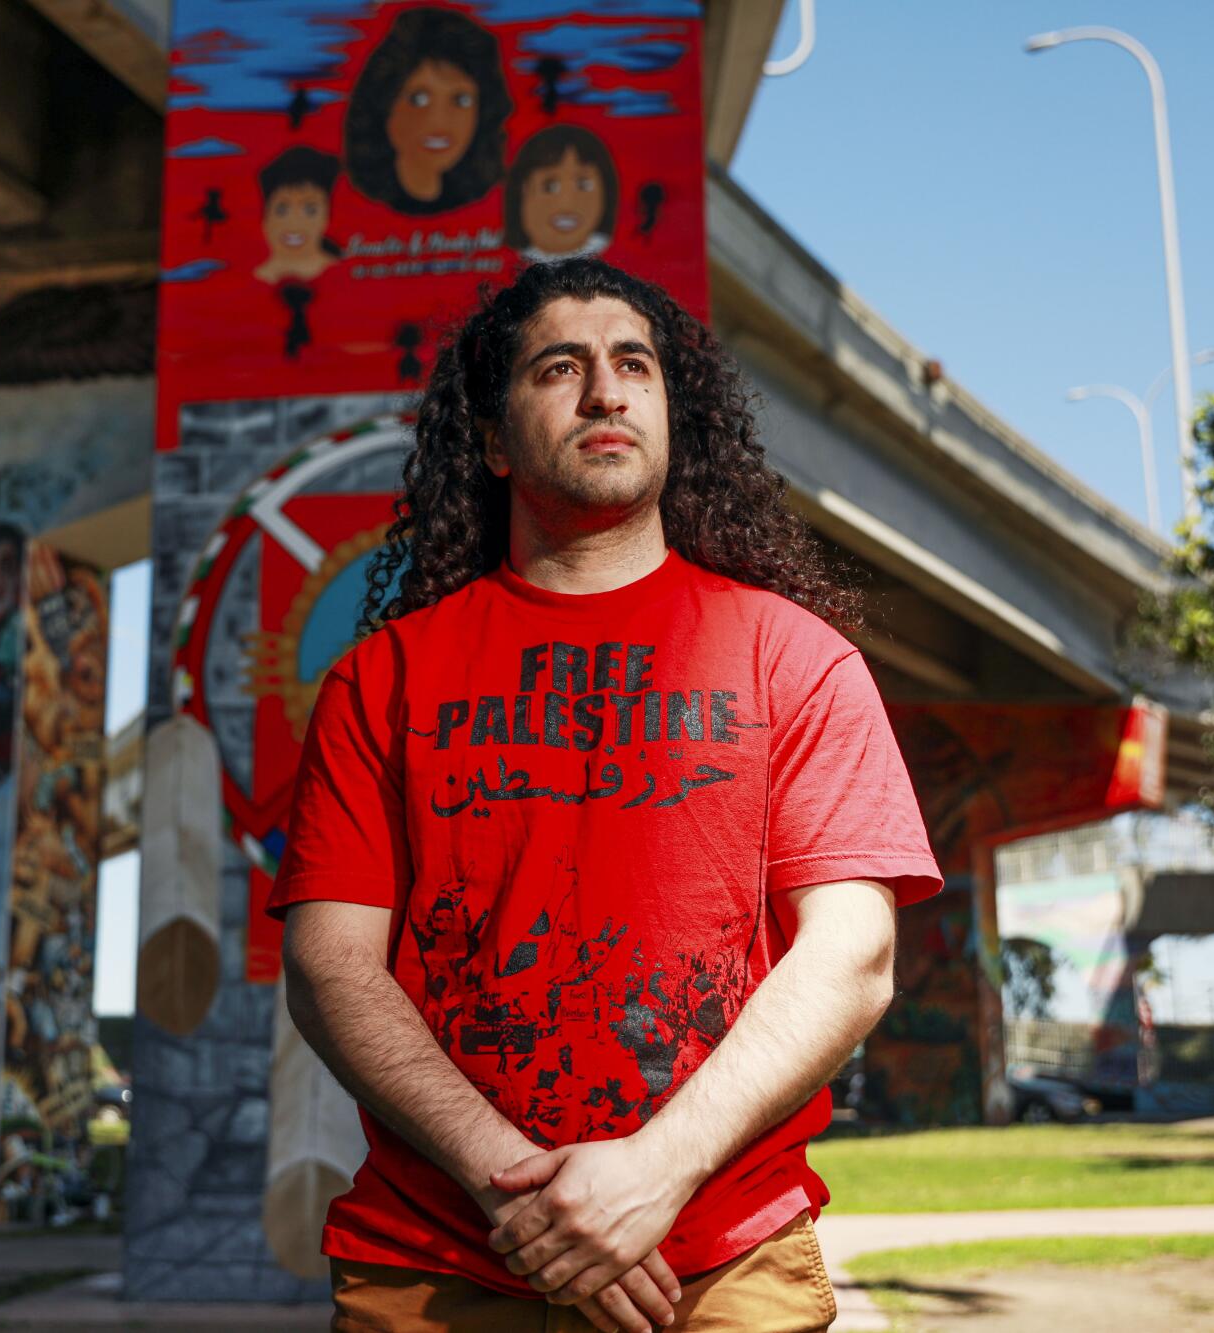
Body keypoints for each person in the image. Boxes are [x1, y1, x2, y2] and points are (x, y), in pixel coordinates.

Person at [270, 258, 942, 1333]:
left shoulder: (795, 659)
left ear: (672, 417)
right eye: (558, 367)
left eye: (633, 364)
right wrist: (523, 1195)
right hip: (440, 1260)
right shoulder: (380, 681)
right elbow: (329, 966)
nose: (604, 390)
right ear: (491, 441)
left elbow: (851, 956)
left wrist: (652, 1176)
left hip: (717, 1266)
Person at [344, 6, 512, 214]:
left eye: (461, 100)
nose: (439, 120)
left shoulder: (477, 199)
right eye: (418, 99)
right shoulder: (358, 205)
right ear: (383, 103)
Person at [504, 126, 619, 263]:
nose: (567, 202)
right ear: (521, 190)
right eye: (549, 187)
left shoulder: (616, 267)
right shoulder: (508, 268)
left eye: (583, 185)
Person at [254, 147, 344, 285]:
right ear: (265, 218)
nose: (294, 222)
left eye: (310, 210)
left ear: (326, 217)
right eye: (282, 210)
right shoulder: (250, 279)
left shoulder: (341, 274)